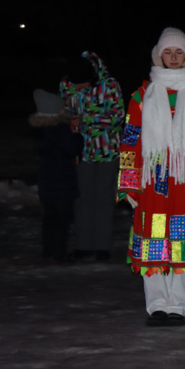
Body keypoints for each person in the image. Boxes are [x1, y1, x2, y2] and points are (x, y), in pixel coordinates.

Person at [117, 27, 185, 326]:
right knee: (154, 240)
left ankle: (177, 306)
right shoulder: (142, 94)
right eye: (168, 52)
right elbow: (130, 139)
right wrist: (128, 182)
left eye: (179, 52)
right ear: (159, 56)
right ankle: (157, 306)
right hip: (154, 181)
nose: (174, 57)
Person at [60, 51, 125, 261]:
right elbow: (62, 112)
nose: (77, 89)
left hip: (107, 151)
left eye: (82, 86)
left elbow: (117, 117)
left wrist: (86, 119)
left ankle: (102, 247)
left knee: (103, 199)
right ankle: (83, 246)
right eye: (74, 86)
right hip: (81, 152)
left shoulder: (110, 85)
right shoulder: (66, 84)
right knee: (82, 199)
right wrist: (69, 122)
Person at [29, 89, 83, 264]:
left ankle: (48, 251)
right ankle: (59, 253)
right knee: (62, 219)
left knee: (49, 218)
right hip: (62, 182)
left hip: (47, 182)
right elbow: (71, 149)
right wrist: (78, 136)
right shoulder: (60, 130)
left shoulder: (42, 130)